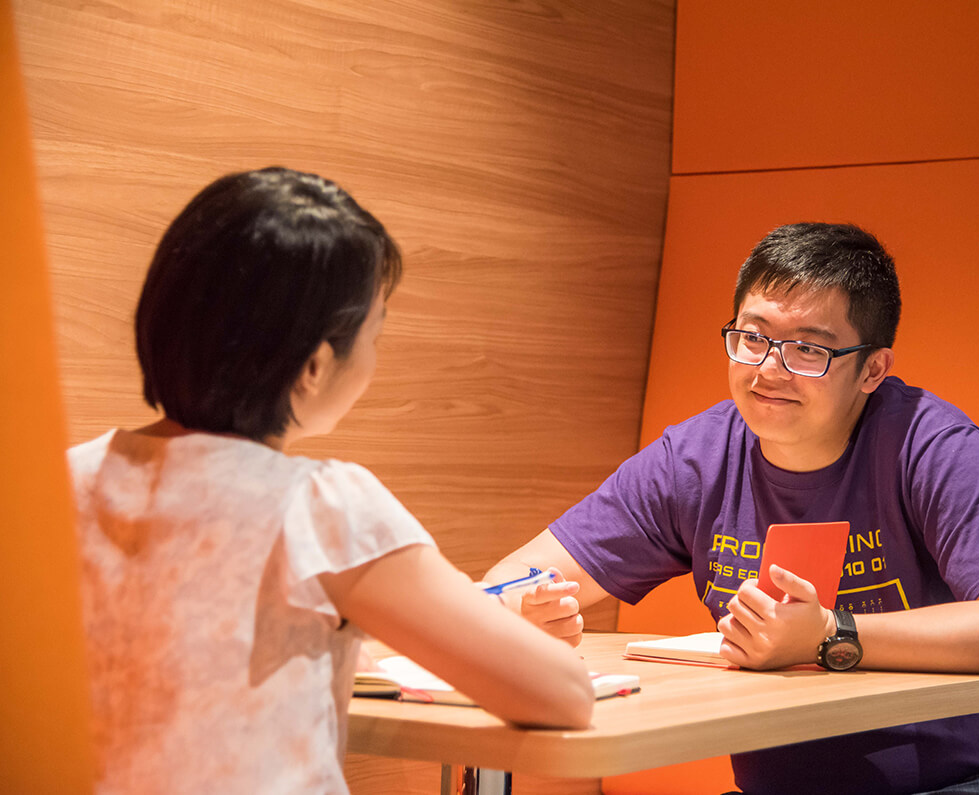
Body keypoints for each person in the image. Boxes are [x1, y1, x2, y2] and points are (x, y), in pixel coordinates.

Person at [486, 222, 979, 795]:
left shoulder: (928, 446)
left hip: (970, 780)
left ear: (871, 369)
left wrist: (829, 634)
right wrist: (523, 610)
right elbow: (508, 581)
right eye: (753, 337)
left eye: (806, 350)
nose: (768, 369)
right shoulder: (693, 459)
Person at [69, 167, 593, 793]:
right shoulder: (319, 507)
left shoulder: (56, 481)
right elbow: (563, 694)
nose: (374, 357)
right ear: (315, 366)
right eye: (374, 333)